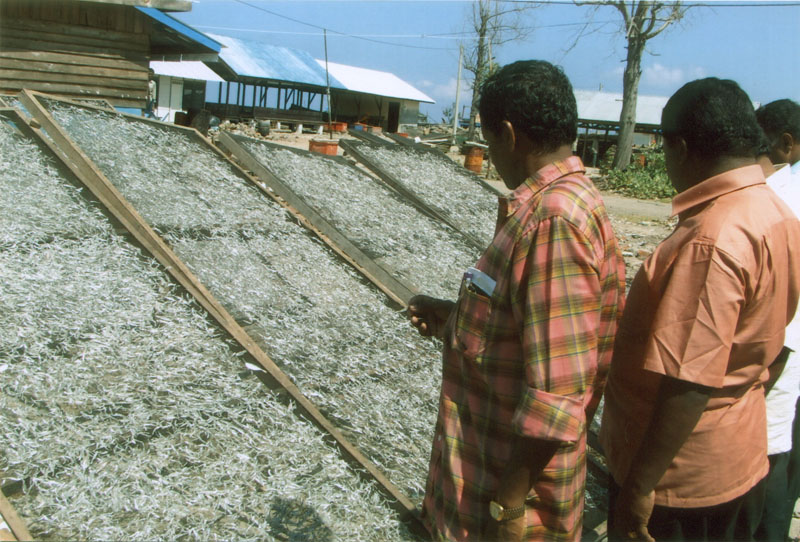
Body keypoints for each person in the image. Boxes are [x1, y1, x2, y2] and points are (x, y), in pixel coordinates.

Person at [406, 60, 626, 541]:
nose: (490, 155)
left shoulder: (553, 221)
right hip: (485, 478)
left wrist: (507, 507)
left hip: (511, 503)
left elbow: (557, 393)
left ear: (507, 134)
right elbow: (536, 330)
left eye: (488, 141)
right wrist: (458, 318)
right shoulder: (561, 202)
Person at [600, 78, 800, 542]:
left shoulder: (713, 238)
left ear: (682, 148)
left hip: (681, 483)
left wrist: (640, 487)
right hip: (737, 454)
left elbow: (688, 381)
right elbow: (774, 339)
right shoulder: (775, 212)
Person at [754, 100, 800, 542]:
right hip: (786, 361)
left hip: (779, 363)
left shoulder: (781, 201)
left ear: (785, 144)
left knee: (769, 475)